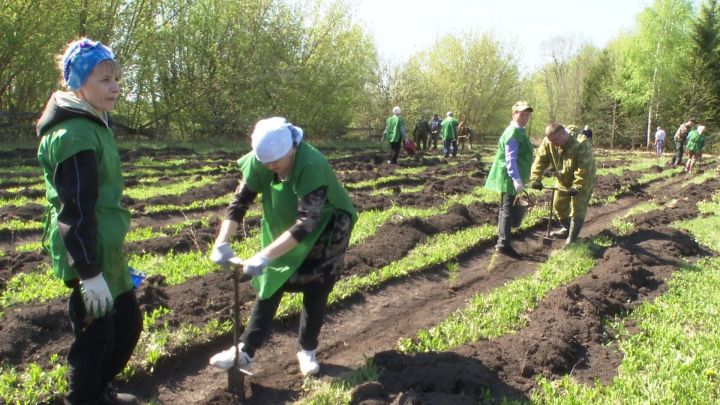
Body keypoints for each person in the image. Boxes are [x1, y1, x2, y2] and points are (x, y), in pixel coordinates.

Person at [36, 38, 142, 404]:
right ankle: (83, 399)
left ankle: (99, 391)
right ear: (79, 84)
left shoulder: (94, 121)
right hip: (86, 249)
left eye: (116, 78)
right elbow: (75, 210)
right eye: (104, 80)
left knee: (126, 324)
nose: (114, 87)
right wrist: (89, 274)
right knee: (95, 337)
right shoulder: (74, 134)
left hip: (104, 244)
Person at [208, 117, 357, 377]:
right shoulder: (261, 159)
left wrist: (265, 255)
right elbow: (240, 201)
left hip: (329, 223)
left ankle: (307, 349)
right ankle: (245, 350)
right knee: (272, 278)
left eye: (276, 162)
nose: (271, 167)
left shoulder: (311, 163)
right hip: (284, 217)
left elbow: (307, 223)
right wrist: (223, 241)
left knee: (317, 283)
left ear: (292, 149)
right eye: (266, 163)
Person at [529, 123, 597, 246]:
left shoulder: (581, 142)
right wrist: (536, 178)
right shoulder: (549, 141)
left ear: (563, 134)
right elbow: (540, 160)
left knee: (578, 207)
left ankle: (571, 241)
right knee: (559, 204)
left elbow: (583, 168)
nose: (553, 144)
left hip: (584, 178)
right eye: (551, 141)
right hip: (563, 177)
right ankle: (567, 228)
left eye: (555, 141)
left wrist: (577, 186)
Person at [484, 101, 534, 258]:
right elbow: (510, 159)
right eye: (521, 114)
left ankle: (503, 239)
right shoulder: (513, 132)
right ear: (514, 114)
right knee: (507, 209)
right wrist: (516, 179)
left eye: (527, 115)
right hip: (510, 177)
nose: (525, 117)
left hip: (513, 177)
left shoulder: (519, 131)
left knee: (506, 208)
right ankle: (503, 244)